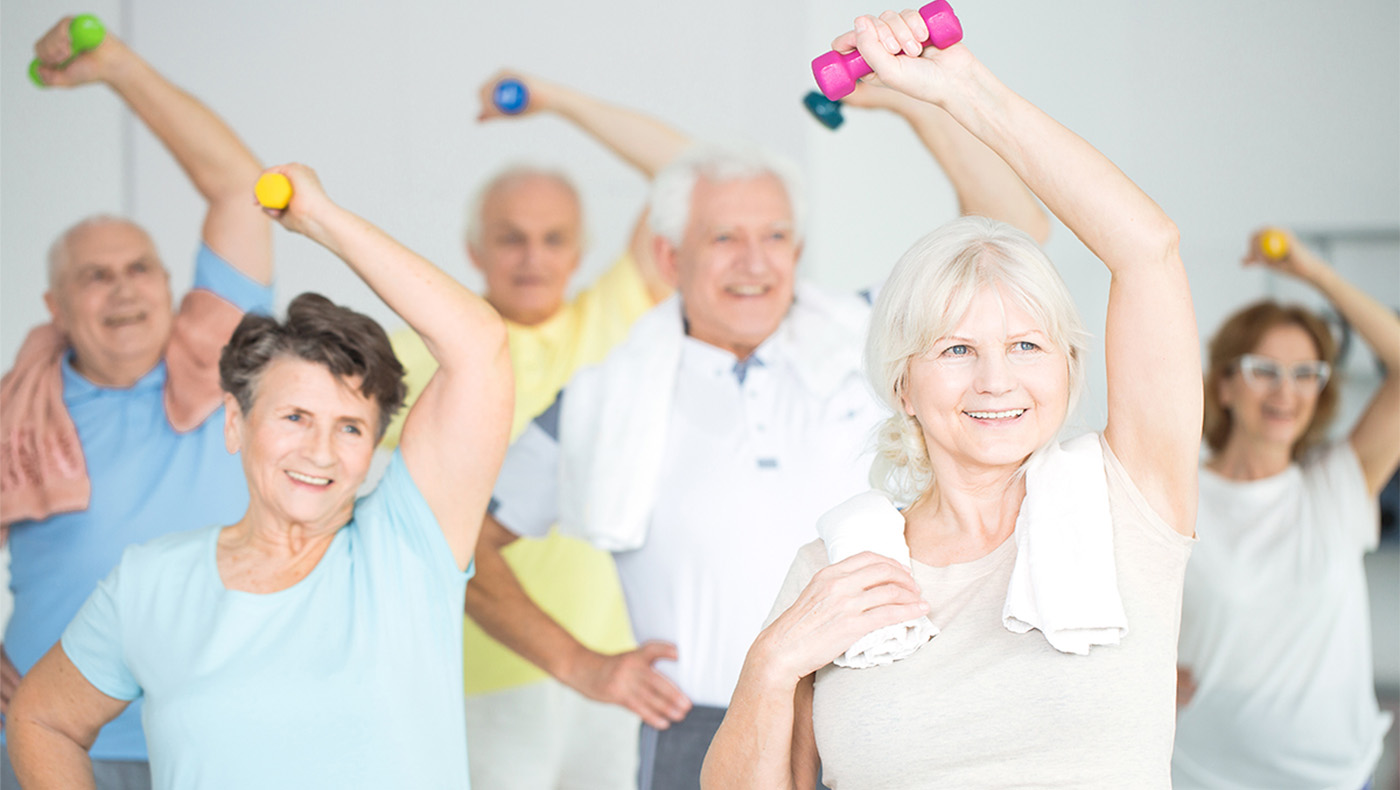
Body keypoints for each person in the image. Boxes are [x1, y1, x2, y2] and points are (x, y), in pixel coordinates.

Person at [464, 48, 1052, 790]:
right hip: (697, 732)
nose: (754, 261)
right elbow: (465, 542)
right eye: (724, 238)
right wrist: (583, 667)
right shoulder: (602, 399)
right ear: (668, 255)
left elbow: (1016, 227)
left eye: (775, 236)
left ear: (798, 250)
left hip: (878, 708)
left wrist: (915, 105)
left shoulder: (873, 344)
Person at [704, 9, 1200, 788]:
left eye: (1027, 347)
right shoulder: (837, 568)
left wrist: (963, 88)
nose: (996, 381)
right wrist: (769, 667)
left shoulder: (1129, 502)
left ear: (1068, 367)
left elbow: (1147, 249)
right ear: (903, 382)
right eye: (958, 350)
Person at [6, 163, 512, 789]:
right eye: (295, 416)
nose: (321, 451)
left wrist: (325, 221)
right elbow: (42, 720)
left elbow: (479, 344)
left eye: (350, 427)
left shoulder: (409, 546)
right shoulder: (150, 583)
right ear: (235, 424)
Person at [380, 70, 677, 790]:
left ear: (578, 251)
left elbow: (690, 175)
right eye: (511, 239)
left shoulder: (618, 319)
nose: (533, 257)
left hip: (618, 666)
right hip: (476, 669)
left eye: (553, 239)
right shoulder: (414, 352)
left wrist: (560, 100)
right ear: (474, 248)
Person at [1, 18, 273, 787]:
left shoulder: (229, 361)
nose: (122, 287)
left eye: (138, 268)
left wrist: (118, 65)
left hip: (217, 732)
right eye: (95, 276)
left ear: (169, 284)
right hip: (50, 741)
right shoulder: (15, 410)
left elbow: (241, 190)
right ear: (56, 305)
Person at [1173, 228, 1400, 790]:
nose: (1286, 391)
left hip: (1336, 780)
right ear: (1224, 385)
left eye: (1306, 373)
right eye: (1264, 369)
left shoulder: (1338, 486)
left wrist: (1315, 276)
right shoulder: (1176, 496)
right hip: (1204, 776)